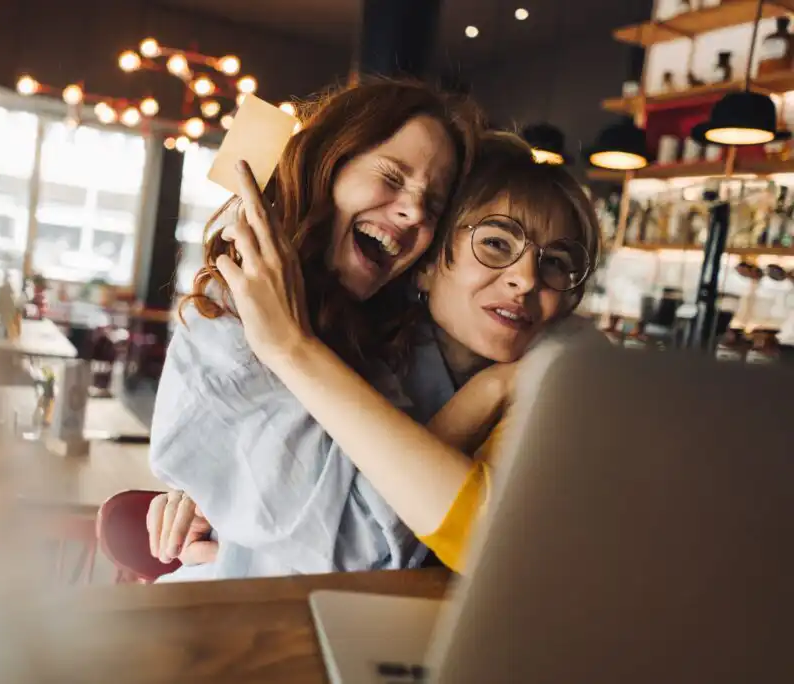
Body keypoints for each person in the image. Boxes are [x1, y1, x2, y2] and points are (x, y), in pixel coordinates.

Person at [165, 131, 602, 573]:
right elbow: (316, 520)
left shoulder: (561, 403)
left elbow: (498, 552)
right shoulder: (361, 358)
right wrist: (222, 495)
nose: (526, 279)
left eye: (555, 263)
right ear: (426, 264)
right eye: (496, 243)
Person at [146, 79, 484, 581]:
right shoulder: (228, 313)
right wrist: (490, 393)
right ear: (326, 167)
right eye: (391, 177)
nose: (414, 212)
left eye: (432, 206)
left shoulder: (396, 332)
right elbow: (358, 548)